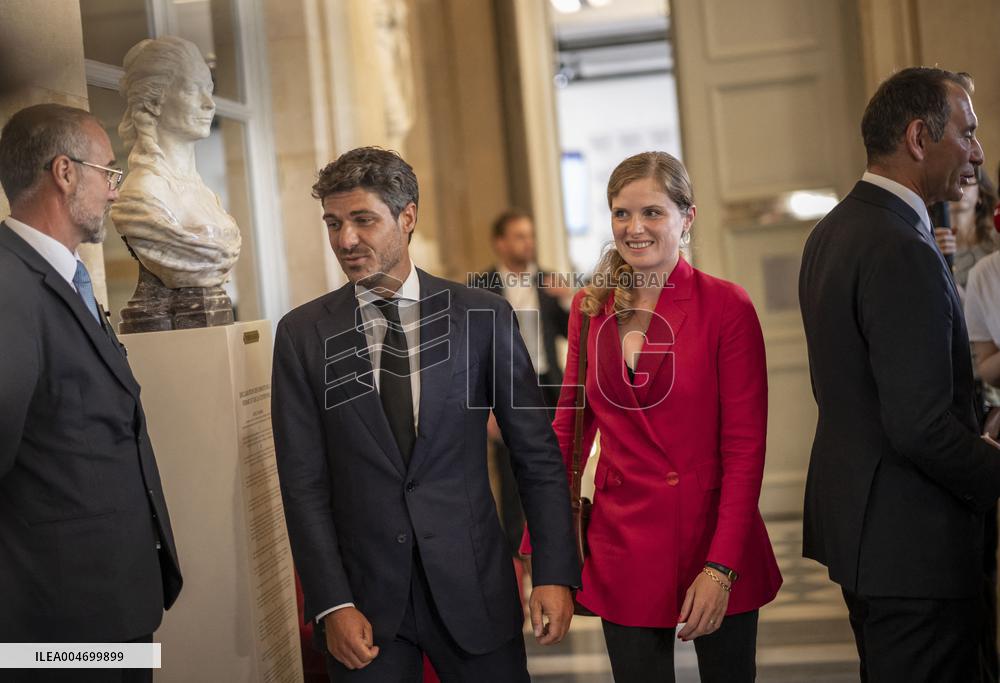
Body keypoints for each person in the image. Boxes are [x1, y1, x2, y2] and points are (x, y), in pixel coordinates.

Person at [271, 146, 579, 682]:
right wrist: (330, 603)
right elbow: (302, 485)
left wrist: (552, 570)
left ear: (407, 217)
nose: (346, 240)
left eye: (363, 220)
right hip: (363, 607)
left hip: (475, 588)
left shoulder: (482, 316)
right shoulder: (302, 335)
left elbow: (536, 456)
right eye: (334, 223)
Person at [524, 151, 782, 682]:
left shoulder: (726, 307)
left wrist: (721, 568)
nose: (634, 228)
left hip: (714, 537)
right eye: (621, 213)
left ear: (687, 218)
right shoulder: (588, 310)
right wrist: (543, 554)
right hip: (626, 548)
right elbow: (565, 435)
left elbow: (744, 449)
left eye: (652, 213)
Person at [799, 67, 1000, 682]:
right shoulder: (898, 245)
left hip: (869, 534)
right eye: (967, 133)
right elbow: (919, 425)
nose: (978, 152)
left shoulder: (834, 231)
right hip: (916, 545)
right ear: (919, 137)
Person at [0, 104, 182, 678]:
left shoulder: (64, 275)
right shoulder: (7, 284)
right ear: (64, 172)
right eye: (109, 172)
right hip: (57, 621)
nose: (113, 192)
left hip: (112, 599)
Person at [474, 209, 570, 558]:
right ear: (500, 243)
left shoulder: (548, 281)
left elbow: (571, 331)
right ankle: (523, 567)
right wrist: (486, 412)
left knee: (553, 477)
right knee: (513, 482)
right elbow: (474, 356)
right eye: (518, 236)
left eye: (529, 235)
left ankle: (557, 556)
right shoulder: (480, 288)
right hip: (506, 394)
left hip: (546, 388)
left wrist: (567, 299)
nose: (527, 243)